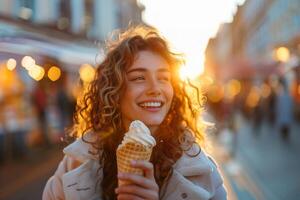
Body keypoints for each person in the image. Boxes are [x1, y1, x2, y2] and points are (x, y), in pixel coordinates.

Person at [43, 25, 227, 200]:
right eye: (139, 78)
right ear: (114, 90)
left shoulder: (204, 173)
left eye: (164, 78)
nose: (155, 89)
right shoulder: (74, 165)